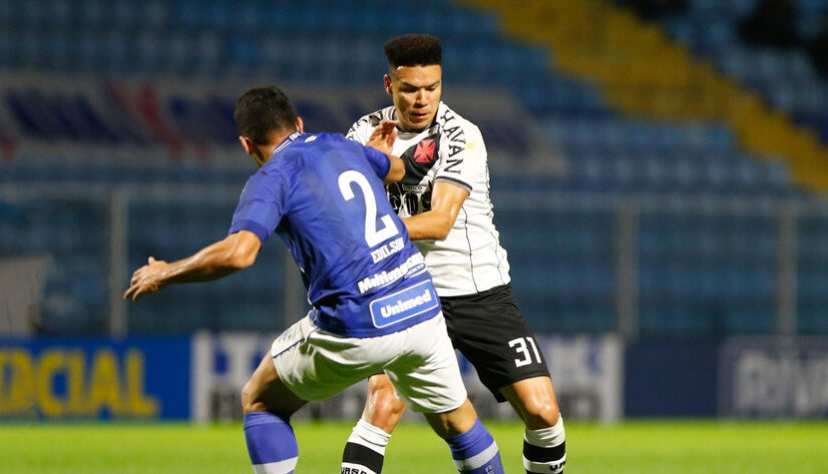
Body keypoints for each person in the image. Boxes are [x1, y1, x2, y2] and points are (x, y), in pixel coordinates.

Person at [124, 86, 504, 474]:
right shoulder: (340, 146)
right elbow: (398, 170)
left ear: (245, 144)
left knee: (259, 399)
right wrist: (371, 155)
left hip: (359, 321)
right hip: (420, 305)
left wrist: (166, 272)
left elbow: (239, 254)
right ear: (299, 124)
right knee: (459, 423)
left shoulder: (272, 177)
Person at [342, 34, 566, 474]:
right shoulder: (363, 133)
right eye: (410, 89)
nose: (422, 99)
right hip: (406, 293)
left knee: (542, 412)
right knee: (383, 402)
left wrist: (373, 216)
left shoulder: (462, 136)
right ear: (390, 86)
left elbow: (439, 222)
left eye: (432, 87)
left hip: (478, 290)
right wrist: (371, 165)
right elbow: (347, 208)